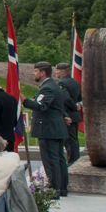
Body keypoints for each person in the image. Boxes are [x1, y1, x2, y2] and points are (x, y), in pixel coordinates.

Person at [23, 61, 69, 196]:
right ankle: (61, 188)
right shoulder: (52, 86)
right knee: (59, 159)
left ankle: (54, 189)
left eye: (36, 71)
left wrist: (24, 100)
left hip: (49, 129)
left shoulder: (47, 87)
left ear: (42, 73)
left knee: (51, 159)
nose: (34, 74)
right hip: (54, 128)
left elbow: (41, 106)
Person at [55, 62, 82, 164]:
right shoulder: (75, 82)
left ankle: (72, 162)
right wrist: (77, 105)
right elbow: (79, 98)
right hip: (74, 116)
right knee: (73, 140)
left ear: (62, 71)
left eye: (57, 70)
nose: (55, 72)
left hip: (67, 116)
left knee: (69, 141)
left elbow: (66, 99)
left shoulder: (62, 83)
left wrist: (74, 106)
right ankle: (75, 160)